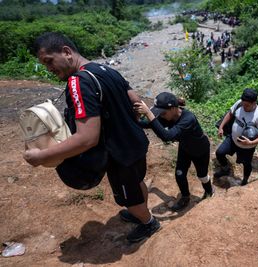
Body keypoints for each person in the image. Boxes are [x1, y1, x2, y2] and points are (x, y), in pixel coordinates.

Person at [24, 32, 159, 243]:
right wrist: (123, 120)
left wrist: (42, 156)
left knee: (128, 197)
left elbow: (87, 139)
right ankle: (139, 212)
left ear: (67, 52)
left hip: (120, 154)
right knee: (136, 181)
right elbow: (134, 98)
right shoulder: (105, 69)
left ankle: (148, 222)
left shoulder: (78, 82)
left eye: (49, 61)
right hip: (135, 142)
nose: (49, 69)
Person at [134, 92, 214, 211]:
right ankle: (185, 197)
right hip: (185, 148)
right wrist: (135, 118)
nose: (161, 115)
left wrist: (149, 114)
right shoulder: (168, 116)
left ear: (173, 108)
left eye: (163, 112)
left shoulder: (188, 119)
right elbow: (149, 124)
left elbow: (167, 136)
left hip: (200, 150)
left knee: (202, 176)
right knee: (179, 174)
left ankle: (209, 192)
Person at [214, 88, 258, 186]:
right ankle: (225, 169)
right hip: (233, 139)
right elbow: (230, 113)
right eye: (243, 104)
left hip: (247, 147)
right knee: (219, 152)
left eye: (247, 105)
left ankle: (245, 180)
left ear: (254, 103)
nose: (244, 107)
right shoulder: (240, 103)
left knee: (246, 164)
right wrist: (221, 127)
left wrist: (251, 143)